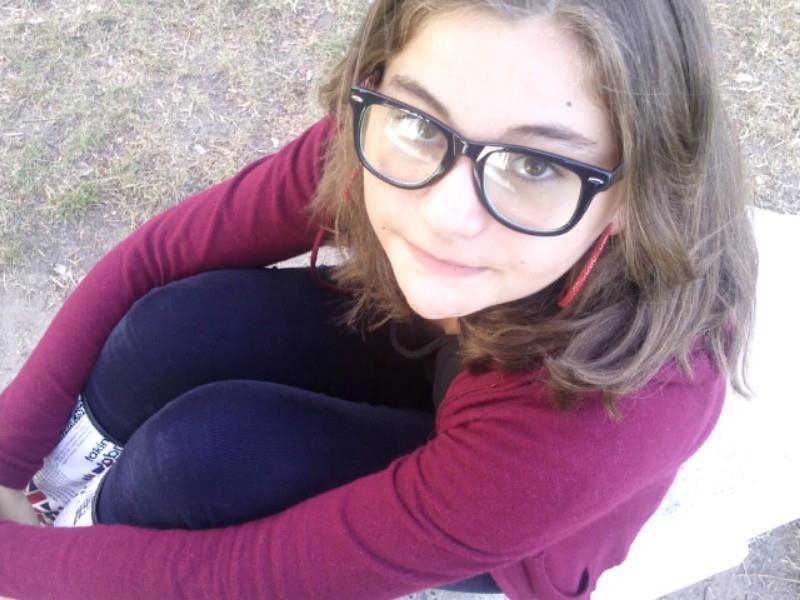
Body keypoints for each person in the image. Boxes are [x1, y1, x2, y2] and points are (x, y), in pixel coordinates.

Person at [0, 0, 757, 598]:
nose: (444, 216)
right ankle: (53, 507)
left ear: (635, 190)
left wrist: (24, 573)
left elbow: (250, 575)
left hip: (513, 506)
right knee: (172, 329)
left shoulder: (623, 408)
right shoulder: (383, 142)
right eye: (420, 119)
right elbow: (160, 256)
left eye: (536, 165)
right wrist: (4, 462)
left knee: (206, 458)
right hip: (442, 343)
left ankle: (77, 544)